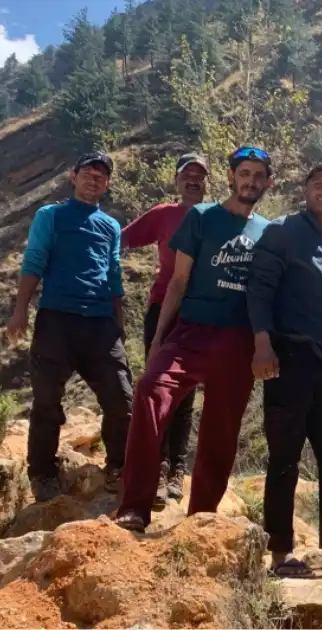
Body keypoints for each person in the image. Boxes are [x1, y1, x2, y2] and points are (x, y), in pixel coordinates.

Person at [112, 146, 275, 532]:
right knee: (151, 392)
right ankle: (135, 505)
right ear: (232, 176)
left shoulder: (268, 232)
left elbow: (267, 291)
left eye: (258, 176)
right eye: (244, 173)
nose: (250, 181)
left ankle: (201, 516)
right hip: (191, 332)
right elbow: (178, 282)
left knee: (222, 429)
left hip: (238, 341)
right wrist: (158, 341)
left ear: (267, 183)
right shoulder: (201, 217)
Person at [249, 163, 322, 578]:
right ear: (305, 190)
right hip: (288, 360)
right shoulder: (281, 232)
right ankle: (279, 554)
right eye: (319, 184)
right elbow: (258, 291)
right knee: (284, 457)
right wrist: (261, 344)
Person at [7, 151, 132, 503]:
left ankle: (118, 467)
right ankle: (42, 473)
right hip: (56, 319)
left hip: (99, 323)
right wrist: (20, 311)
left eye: (101, 176)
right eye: (88, 173)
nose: (94, 179)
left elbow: (114, 274)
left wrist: (117, 324)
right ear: (72, 176)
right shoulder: (50, 216)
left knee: (121, 399)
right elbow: (34, 260)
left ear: (107, 184)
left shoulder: (110, 226)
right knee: (47, 400)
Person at [119, 152, 210, 503]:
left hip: (200, 313)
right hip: (162, 309)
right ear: (176, 181)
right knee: (157, 386)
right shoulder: (163, 215)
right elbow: (120, 239)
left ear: (207, 183)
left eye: (199, 175)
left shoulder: (214, 217)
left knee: (186, 393)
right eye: (187, 174)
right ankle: (155, 468)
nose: (193, 180)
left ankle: (176, 469)